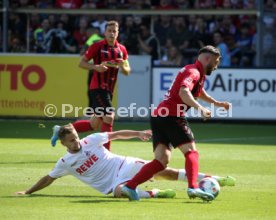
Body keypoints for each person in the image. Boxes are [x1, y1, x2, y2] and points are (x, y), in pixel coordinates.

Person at [121, 45, 232, 201]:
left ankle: (130, 186)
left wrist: (217, 103)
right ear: (207, 59)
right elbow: (184, 91)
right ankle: (193, 187)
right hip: (172, 115)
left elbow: (198, 92)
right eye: (215, 62)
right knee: (191, 152)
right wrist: (200, 108)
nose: (216, 66)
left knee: (161, 161)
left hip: (159, 116)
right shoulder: (193, 71)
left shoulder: (196, 71)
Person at [16, 124, 235, 199]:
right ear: (64, 144)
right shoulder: (65, 162)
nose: (76, 141)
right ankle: (155, 194)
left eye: (76, 137)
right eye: (72, 140)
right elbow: (48, 179)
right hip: (111, 185)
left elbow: (116, 135)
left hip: (123, 164)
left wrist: (138, 133)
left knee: (164, 170)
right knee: (121, 193)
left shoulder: (91, 140)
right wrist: (27, 191)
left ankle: (211, 179)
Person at [51, 20, 131, 151]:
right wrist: (96, 67)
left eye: (114, 31)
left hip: (109, 90)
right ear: (105, 32)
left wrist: (123, 66)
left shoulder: (121, 49)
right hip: (98, 87)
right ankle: (106, 154)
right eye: (109, 31)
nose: (112, 33)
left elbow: (127, 71)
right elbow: (81, 63)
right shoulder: (97, 46)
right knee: (109, 117)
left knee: (94, 124)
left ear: (117, 33)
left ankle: (61, 130)